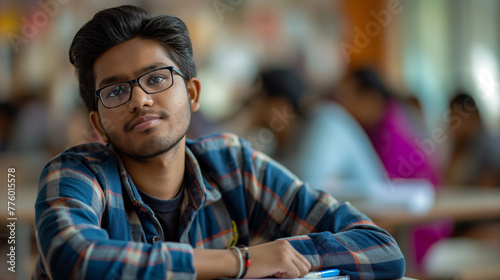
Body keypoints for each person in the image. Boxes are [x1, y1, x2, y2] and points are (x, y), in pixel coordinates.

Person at [33, 6, 405, 280]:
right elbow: (75, 259)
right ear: (97, 122)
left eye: (157, 79)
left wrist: (285, 255)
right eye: (115, 90)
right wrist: (241, 262)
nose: (140, 99)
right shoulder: (76, 173)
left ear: (193, 93)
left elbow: (380, 248)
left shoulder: (233, 166)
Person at [244, 68, 390, 198]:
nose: (251, 109)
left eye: (257, 99)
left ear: (280, 106)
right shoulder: (282, 140)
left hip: (373, 217)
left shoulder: (325, 120)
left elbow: (302, 181)